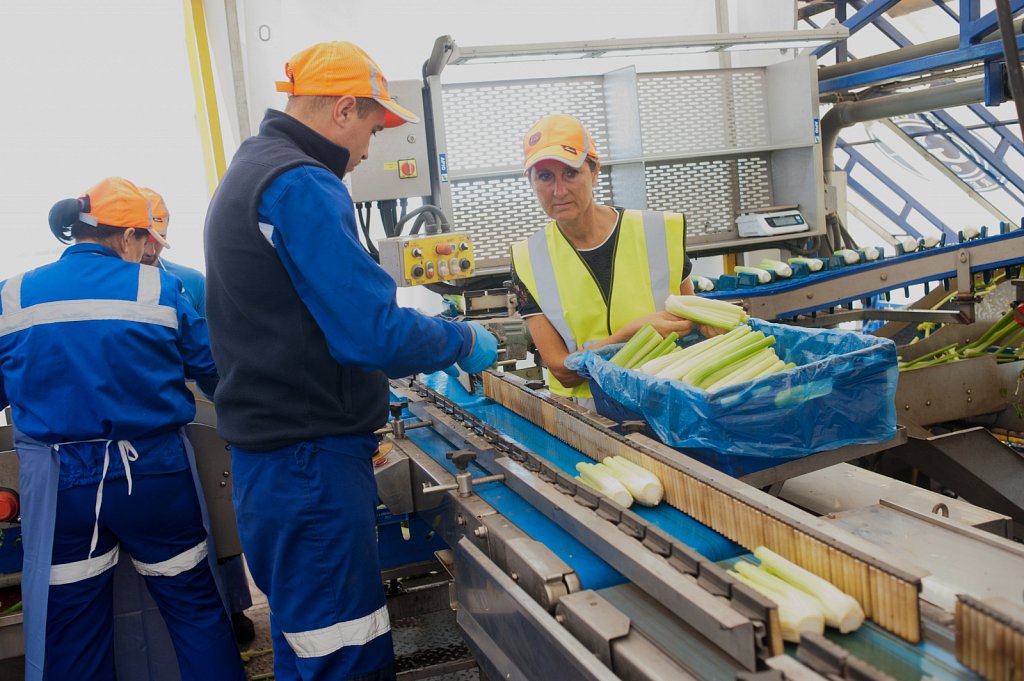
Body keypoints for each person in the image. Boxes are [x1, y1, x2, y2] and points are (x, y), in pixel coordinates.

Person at [204, 41, 498, 681]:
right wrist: (460, 340)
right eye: (372, 126)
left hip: (277, 464)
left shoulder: (253, 168)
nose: (372, 147)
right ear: (341, 109)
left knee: (308, 643)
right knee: (343, 654)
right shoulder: (301, 184)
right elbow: (372, 333)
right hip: (308, 466)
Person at [0, 177, 246, 680]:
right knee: (195, 610)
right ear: (128, 236)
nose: (151, 254)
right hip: (153, 478)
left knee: (73, 628)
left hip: (63, 487)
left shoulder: (13, 295)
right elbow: (217, 373)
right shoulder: (159, 288)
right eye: (149, 243)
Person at [510, 113, 719, 401]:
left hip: (665, 398)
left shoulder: (656, 232)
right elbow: (561, 370)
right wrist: (627, 336)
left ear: (594, 172)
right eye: (545, 176)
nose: (559, 190)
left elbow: (692, 325)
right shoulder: (529, 259)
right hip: (587, 417)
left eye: (571, 173)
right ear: (531, 182)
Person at [139, 186, 256, 643]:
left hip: (201, 407)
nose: (150, 250)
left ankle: (236, 605)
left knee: (218, 511)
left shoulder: (187, 280)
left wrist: (234, 408)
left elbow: (216, 351)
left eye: (156, 241)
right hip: (155, 425)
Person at [139, 187, 207, 315]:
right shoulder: (106, 279)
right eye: (145, 241)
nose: (151, 251)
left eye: (160, 240)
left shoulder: (194, 282)